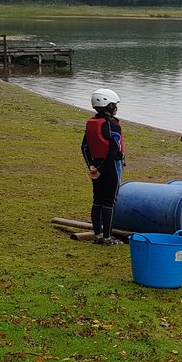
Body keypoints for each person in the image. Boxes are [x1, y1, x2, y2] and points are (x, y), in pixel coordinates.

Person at [81, 88, 125, 245]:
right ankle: (107, 237)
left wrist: (92, 166)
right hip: (110, 167)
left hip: (96, 166)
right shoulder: (112, 125)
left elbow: (84, 147)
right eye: (114, 105)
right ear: (108, 106)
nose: (116, 108)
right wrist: (101, 170)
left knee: (97, 200)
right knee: (109, 202)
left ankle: (98, 235)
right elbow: (113, 151)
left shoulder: (91, 123)